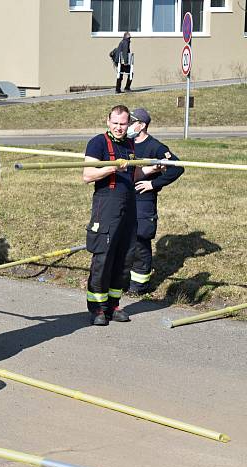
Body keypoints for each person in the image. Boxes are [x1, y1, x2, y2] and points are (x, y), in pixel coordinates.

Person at [82, 104, 158, 326]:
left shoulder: (129, 143)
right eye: (115, 123)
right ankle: (97, 308)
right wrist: (112, 168)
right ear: (108, 122)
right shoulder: (97, 143)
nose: (118, 128)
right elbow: (87, 175)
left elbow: (133, 174)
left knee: (125, 257)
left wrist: (154, 169)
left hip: (128, 206)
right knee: (103, 258)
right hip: (107, 206)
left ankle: (113, 305)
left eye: (122, 124)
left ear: (129, 125)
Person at [126, 108, 184, 295]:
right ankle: (125, 280)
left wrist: (153, 183)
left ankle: (140, 285)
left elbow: (177, 168)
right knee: (126, 239)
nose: (127, 126)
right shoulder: (127, 144)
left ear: (142, 126)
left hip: (144, 201)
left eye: (131, 122)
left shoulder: (156, 147)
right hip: (126, 198)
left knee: (141, 240)